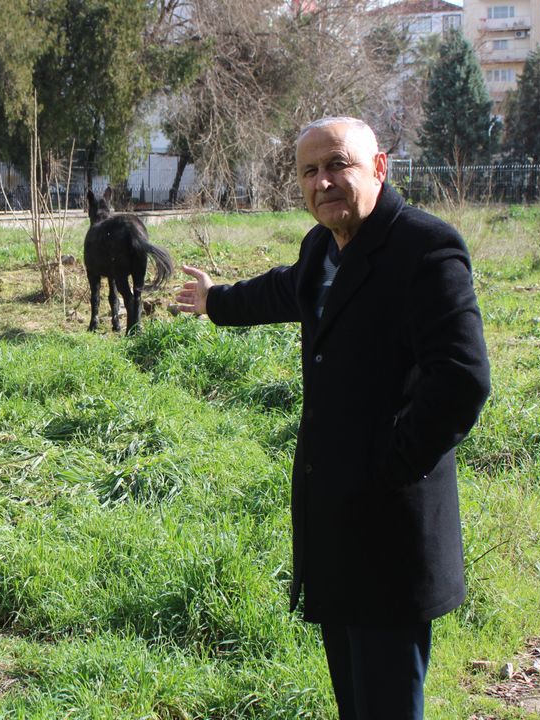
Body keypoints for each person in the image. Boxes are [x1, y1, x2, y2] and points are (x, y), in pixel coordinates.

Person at [175, 117, 490, 719]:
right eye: (310, 171)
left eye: (338, 164)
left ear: (379, 167)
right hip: (336, 524)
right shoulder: (322, 247)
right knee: (354, 699)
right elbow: (287, 290)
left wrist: (391, 465)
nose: (323, 182)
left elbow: (462, 378)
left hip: (391, 528)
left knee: (387, 702)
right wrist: (216, 300)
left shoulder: (425, 248)